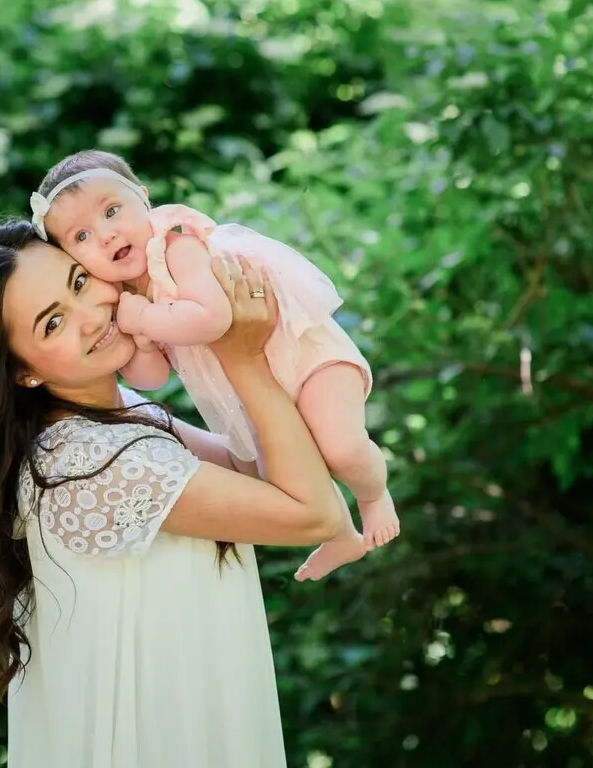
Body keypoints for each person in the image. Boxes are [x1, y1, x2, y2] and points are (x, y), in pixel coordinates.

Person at [0, 219, 348, 768]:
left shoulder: (123, 419)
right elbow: (314, 514)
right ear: (21, 372)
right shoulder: (84, 462)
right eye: (53, 322)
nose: (92, 316)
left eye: (80, 282)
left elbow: (259, 468)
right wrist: (242, 357)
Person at [29, 150, 400, 580]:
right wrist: (143, 343)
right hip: (252, 388)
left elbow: (213, 318)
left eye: (112, 211)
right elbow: (150, 378)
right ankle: (341, 539)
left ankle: (373, 496)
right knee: (280, 467)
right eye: (81, 237)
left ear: (144, 199)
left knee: (340, 448)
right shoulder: (126, 297)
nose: (107, 235)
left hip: (306, 359)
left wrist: (144, 319)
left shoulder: (177, 246)